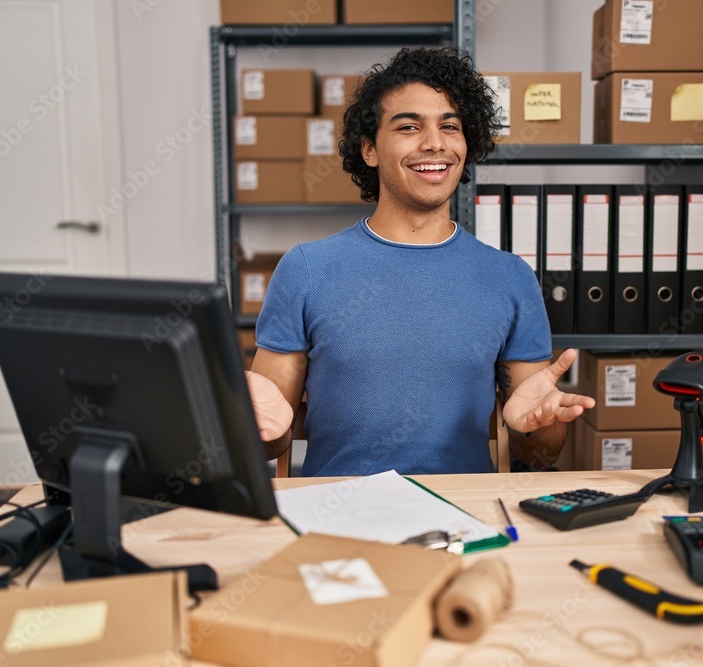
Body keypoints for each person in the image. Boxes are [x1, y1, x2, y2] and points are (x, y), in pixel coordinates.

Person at [247, 47, 594, 476]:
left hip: (465, 520)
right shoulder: (306, 270)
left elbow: (541, 454)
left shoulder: (510, 278)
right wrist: (254, 427)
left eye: (450, 126)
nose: (435, 143)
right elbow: (269, 438)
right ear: (369, 149)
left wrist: (531, 428)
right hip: (340, 519)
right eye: (409, 126)